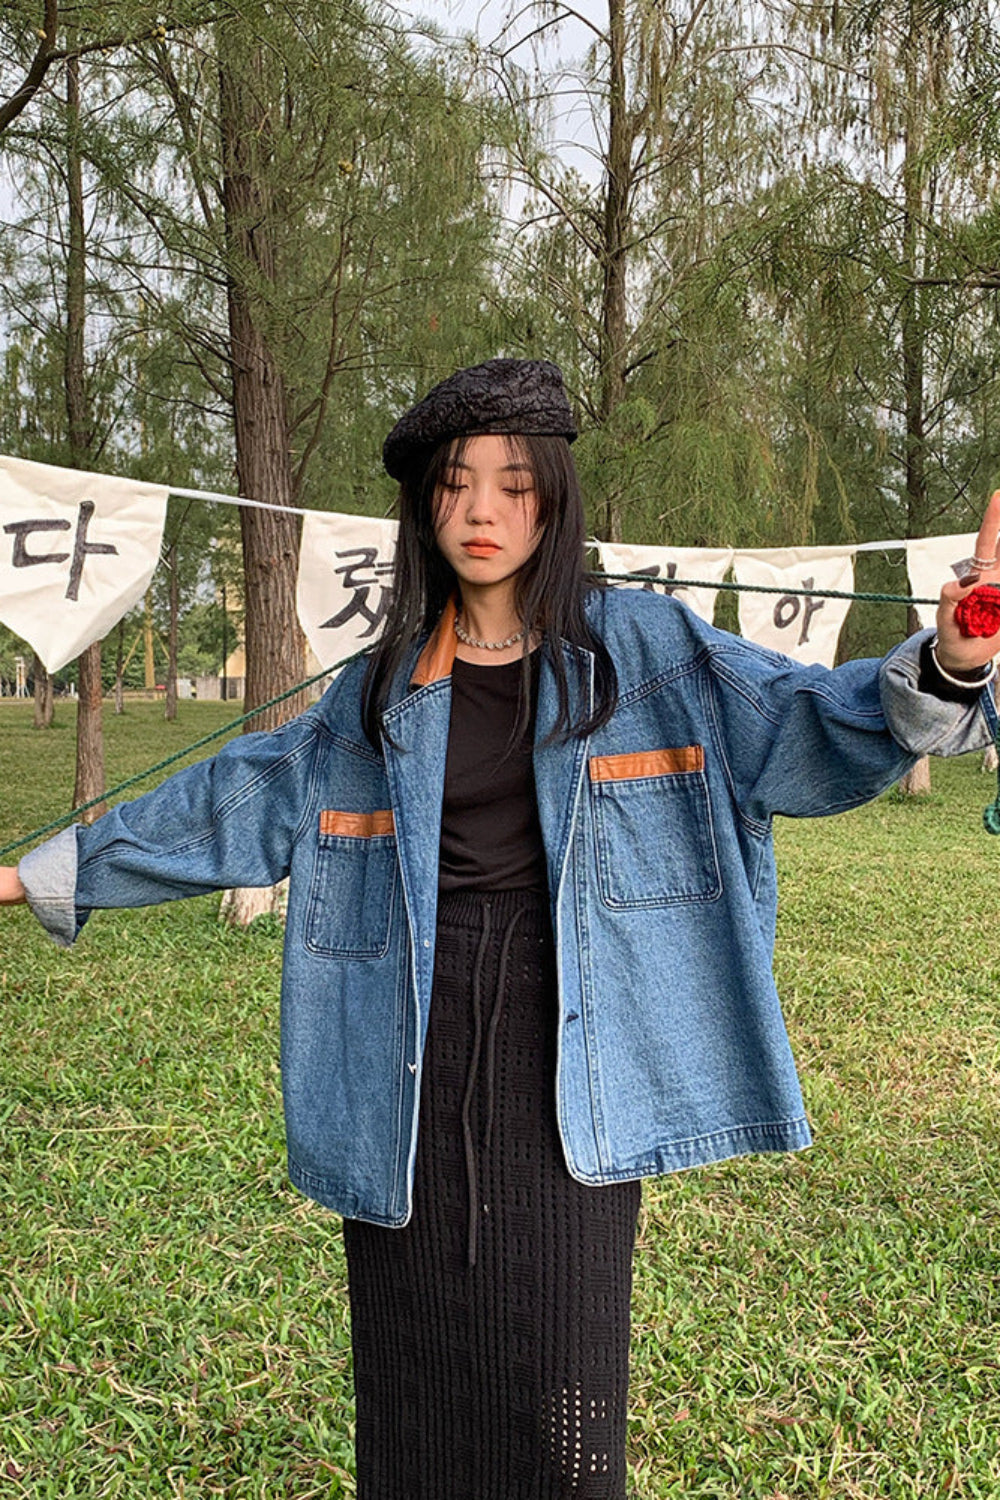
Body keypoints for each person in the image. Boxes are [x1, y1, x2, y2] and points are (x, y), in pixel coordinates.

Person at [2, 358, 998, 1500]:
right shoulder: (378, 689)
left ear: (555, 501)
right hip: (404, 1036)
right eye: (456, 485)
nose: (483, 512)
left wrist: (953, 655)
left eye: (515, 485)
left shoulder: (650, 651)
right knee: (412, 1359)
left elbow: (815, 726)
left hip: (577, 1035)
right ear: (424, 508)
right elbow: (236, 797)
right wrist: (33, 877)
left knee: (562, 1362)